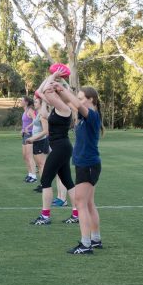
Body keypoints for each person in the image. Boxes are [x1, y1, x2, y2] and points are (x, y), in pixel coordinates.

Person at [52, 84, 104, 254]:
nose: (79, 101)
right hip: (87, 165)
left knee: (80, 203)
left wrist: (64, 89)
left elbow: (76, 103)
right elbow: (72, 102)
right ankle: (95, 240)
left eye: (82, 98)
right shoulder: (84, 118)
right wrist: (62, 89)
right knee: (88, 203)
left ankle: (86, 244)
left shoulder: (92, 116)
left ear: (92, 100)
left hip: (88, 165)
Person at [29, 71, 77, 228]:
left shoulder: (64, 108)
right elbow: (40, 93)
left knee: (45, 180)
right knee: (68, 181)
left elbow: (44, 91)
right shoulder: (57, 108)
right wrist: (52, 78)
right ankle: (76, 214)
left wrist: (53, 76)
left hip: (60, 148)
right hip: (61, 147)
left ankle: (45, 216)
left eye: (55, 91)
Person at [25, 94, 49, 194]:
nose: (34, 103)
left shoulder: (43, 115)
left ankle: (45, 185)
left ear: (41, 103)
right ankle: (42, 184)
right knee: (39, 165)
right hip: (37, 141)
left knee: (42, 165)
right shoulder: (38, 113)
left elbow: (45, 131)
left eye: (36, 102)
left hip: (41, 141)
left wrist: (33, 138)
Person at [20, 96, 38, 182]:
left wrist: (28, 127)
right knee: (25, 156)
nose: (20, 101)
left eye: (21, 100)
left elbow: (36, 120)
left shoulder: (30, 110)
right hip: (24, 135)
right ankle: (30, 174)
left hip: (30, 135)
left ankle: (34, 176)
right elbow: (25, 122)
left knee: (30, 156)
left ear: (26, 102)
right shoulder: (25, 111)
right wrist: (23, 129)